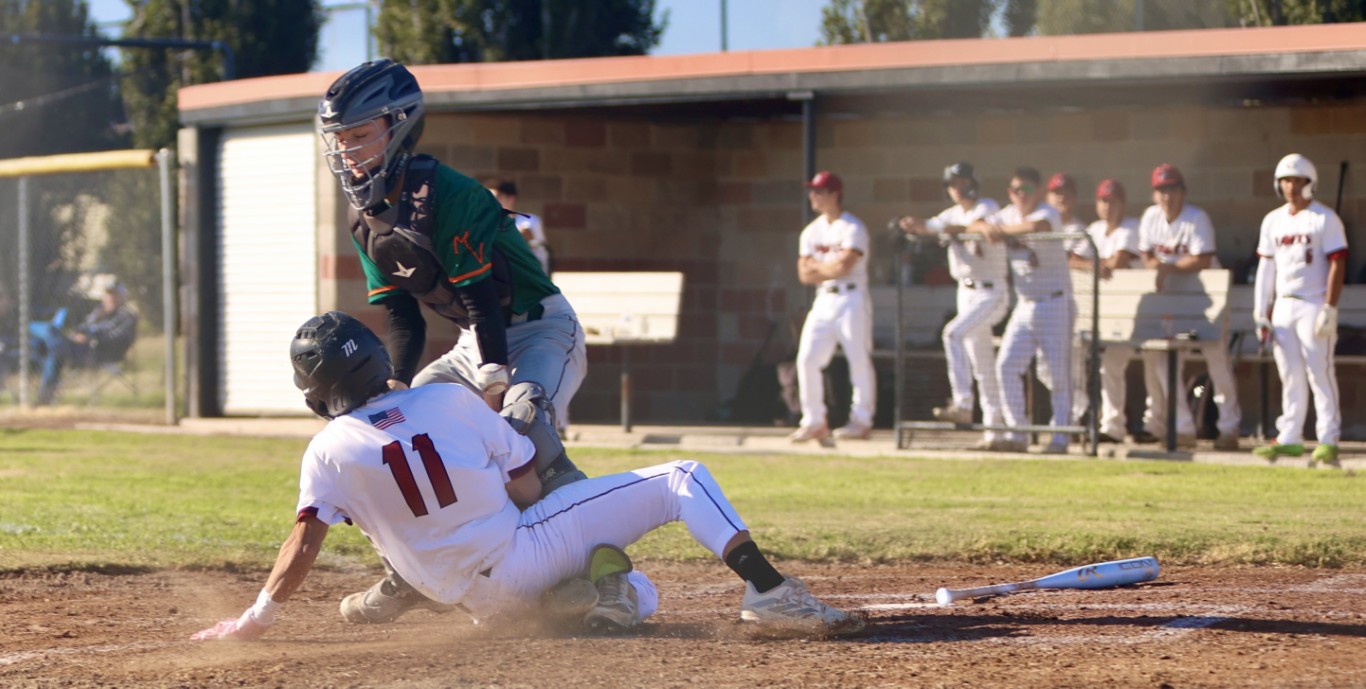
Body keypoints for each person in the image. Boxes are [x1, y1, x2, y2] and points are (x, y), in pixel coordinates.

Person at [190, 312, 865, 642]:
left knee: (621, 588)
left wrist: (255, 618)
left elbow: (302, 543)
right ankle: (767, 591)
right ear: (374, 359)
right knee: (681, 478)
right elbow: (528, 487)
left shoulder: (326, 451)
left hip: (473, 601)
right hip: (521, 547)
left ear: (317, 392)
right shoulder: (446, 398)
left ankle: (579, 596)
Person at [317, 59, 589, 622]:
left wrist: (495, 381)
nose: (348, 151)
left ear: (398, 126)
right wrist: (394, 383)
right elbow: (403, 318)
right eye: (340, 139)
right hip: (472, 339)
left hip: (537, 327)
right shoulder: (364, 216)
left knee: (524, 425)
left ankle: (595, 573)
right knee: (397, 433)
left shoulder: (446, 193)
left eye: (360, 134)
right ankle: (412, 574)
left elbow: (482, 299)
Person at [897, 162, 1009, 451]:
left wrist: (941, 228)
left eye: (962, 182)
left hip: (991, 290)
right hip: (966, 292)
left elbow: (975, 226)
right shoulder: (950, 214)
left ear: (974, 182)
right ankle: (995, 432)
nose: (957, 188)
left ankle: (962, 403)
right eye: (952, 184)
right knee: (983, 366)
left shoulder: (987, 205)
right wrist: (914, 226)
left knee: (952, 334)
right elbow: (932, 226)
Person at [1136, 164, 1242, 450]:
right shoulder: (1150, 217)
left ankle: (1229, 428)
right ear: (1154, 194)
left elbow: (1202, 259)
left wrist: (1167, 267)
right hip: (1173, 301)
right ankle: (1183, 428)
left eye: (1172, 189)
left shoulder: (1197, 218)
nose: (1167, 196)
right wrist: (1158, 268)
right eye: (1161, 190)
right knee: (1164, 362)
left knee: (1217, 361)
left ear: (1183, 192)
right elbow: (1147, 256)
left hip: (1207, 299)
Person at [1251, 154, 1346, 466]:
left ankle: (1328, 437)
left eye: (1297, 180)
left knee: (1320, 370)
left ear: (1310, 183)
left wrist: (1330, 307)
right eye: (1286, 180)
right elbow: (1266, 267)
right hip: (1284, 304)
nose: (1291, 186)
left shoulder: (1324, 218)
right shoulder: (1272, 220)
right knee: (1289, 373)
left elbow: (1337, 263)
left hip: (1313, 303)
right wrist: (1261, 311)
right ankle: (1290, 435)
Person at [970, 167, 1071, 454]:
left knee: (1058, 374)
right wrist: (985, 228)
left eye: (1025, 189)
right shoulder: (1007, 214)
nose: (1020, 195)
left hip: (1054, 302)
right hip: (1025, 304)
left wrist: (998, 232)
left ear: (1037, 191)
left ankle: (1061, 436)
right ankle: (1018, 433)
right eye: (1015, 190)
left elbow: (1037, 227)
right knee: (1006, 366)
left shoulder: (1047, 212)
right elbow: (974, 224)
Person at [790, 171, 876, 442]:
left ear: (835, 194)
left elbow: (844, 267)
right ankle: (814, 420)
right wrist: (826, 267)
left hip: (852, 298)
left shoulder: (852, 227)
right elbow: (804, 274)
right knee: (807, 359)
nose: (813, 196)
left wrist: (819, 267)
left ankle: (861, 420)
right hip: (823, 298)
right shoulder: (811, 231)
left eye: (819, 191)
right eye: (812, 191)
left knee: (858, 359)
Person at [1068, 179, 1142, 443]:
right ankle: (1079, 418)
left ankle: (1113, 427)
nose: (1107, 206)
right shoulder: (1094, 229)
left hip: (1132, 314)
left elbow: (1118, 262)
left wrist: (1097, 264)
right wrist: (1095, 265)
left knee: (1113, 362)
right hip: (1101, 314)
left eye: (1113, 201)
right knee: (1074, 355)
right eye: (1103, 201)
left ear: (1123, 204)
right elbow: (1072, 259)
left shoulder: (1131, 227)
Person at [35, 282, 137, 406]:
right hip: (82, 349)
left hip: (103, 352)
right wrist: (78, 335)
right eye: (108, 295)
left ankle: (44, 398)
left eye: (114, 295)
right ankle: (44, 398)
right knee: (51, 340)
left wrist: (92, 338)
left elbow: (118, 338)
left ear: (122, 298)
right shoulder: (98, 313)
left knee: (53, 346)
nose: (110, 299)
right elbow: (82, 327)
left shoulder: (127, 316)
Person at [1043, 173, 1092, 429]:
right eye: (1057, 193)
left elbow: (1076, 261)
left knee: (1071, 365)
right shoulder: (1041, 225)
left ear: (1074, 198)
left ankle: (1072, 416)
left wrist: (1051, 257)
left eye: (1066, 193)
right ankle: (1070, 409)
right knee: (1044, 367)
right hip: (1042, 303)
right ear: (1047, 197)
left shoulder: (1079, 230)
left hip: (1069, 303)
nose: (1062, 198)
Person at [487, 178, 551, 276]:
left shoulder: (530, 221)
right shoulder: (488, 223)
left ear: (511, 199)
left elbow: (540, 252)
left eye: (496, 198)